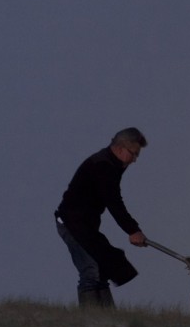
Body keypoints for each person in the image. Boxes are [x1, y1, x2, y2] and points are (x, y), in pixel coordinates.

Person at [55, 127, 148, 308]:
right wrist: (133, 230)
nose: (135, 160)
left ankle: (108, 319)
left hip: (87, 225)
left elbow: (112, 200)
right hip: (71, 223)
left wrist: (133, 229)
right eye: (134, 154)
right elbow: (114, 202)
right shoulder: (103, 166)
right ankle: (91, 322)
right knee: (90, 271)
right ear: (121, 148)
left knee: (104, 265)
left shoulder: (114, 164)